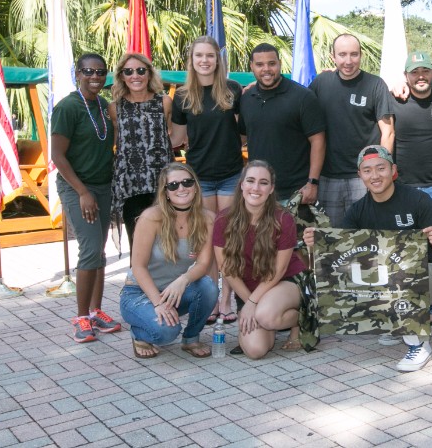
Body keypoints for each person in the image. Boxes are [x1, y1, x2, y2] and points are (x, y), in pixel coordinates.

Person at [304, 145, 432, 371]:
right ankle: (394, 322)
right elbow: (340, 256)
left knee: (397, 272)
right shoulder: (357, 211)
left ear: (393, 170)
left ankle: (419, 344)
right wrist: (317, 242)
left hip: (428, 276)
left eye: (381, 168)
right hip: (385, 277)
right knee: (355, 277)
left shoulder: (418, 200)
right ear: (360, 175)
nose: (375, 175)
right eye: (368, 170)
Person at [170, 35, 245, 326]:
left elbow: (243, 133)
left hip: (229, 174)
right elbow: (176, 138)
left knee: (227, 241)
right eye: (199, 55)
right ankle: (212, 300)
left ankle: (227, 301)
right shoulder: (181, 96)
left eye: (210, 56)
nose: (204, 61)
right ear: (192, 60)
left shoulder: (233, 90)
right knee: (208, 243)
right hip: (198, 178)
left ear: (218, 59)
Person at [50, 53, 121, 343]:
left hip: (103, 186)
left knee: (99, 251)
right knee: (90, 249)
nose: (95, 77)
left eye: (101, 72)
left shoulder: (103, 106)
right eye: (89, 71)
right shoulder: (68, 107)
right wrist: (82, 192)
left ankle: (96, 311)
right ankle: (81, 317)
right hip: (78, 187)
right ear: (77, 72)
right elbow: (57, 155)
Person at [119, 163, 219, 358]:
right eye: (173, 185)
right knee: (166, 333)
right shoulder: (150, 217)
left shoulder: (208, 219)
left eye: (186, 182)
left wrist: (182, 280)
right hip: (139, 293)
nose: (181, 188)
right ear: (165, 192)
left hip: (174, 291)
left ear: (195, 186)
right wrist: (158, 303)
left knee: (208, 287)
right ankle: (139, 334)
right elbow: (138, 267)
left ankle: (191, 339)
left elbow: (203, 264)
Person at [213, 161, 307, 359]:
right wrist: (249, 302)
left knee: (265, 316)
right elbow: (226, 268)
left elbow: (279, 270)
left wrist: (253, 304)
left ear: (271, 189)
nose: (256, 188)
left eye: (263, 183)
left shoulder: (283, 219)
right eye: (250, 181)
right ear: (241, 185)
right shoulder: (223, 219)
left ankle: (303, 318)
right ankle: (270, 321)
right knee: (255, 351)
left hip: (285, 280)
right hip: (249, 290)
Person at [391, 51, 432, 326]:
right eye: (414, 72)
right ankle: (405, 304)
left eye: (425, 71)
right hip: (403, 187)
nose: (420, 76)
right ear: (406, 76)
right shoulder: (395, 100)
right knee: (401, 250)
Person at [309, 34, 395, 225]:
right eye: (342, 55)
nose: (348, 61)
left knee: (367, 239)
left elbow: (388, 132)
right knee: (331, 239)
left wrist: (380, 172)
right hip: (328, 177)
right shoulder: (320, 83)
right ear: (333, 57)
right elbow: (295, 102)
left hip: (364, 177)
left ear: (361, 55)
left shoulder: (375, 85)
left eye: (354, 54)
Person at [237, 43, 327, 205]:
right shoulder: (246, 98)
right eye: (259, 64)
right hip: (258, 192)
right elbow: (242, 137)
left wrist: (312, 183)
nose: (266, 69)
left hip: (295, 193)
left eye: (271, 63)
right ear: (251, 66)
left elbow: (318, 141)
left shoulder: (303, 97)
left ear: (279, 63)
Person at [110, 52, 174, 250]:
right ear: (121, 76)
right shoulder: (115, 107)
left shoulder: (164, 102)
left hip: (162, 182)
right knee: (138, 243)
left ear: (149, 73)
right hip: (131, 184)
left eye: (140, 70)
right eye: (128, 71)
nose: (135, 76)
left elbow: (170, 136)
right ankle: (138, 281)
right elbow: (115, 142)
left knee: (166, 242)